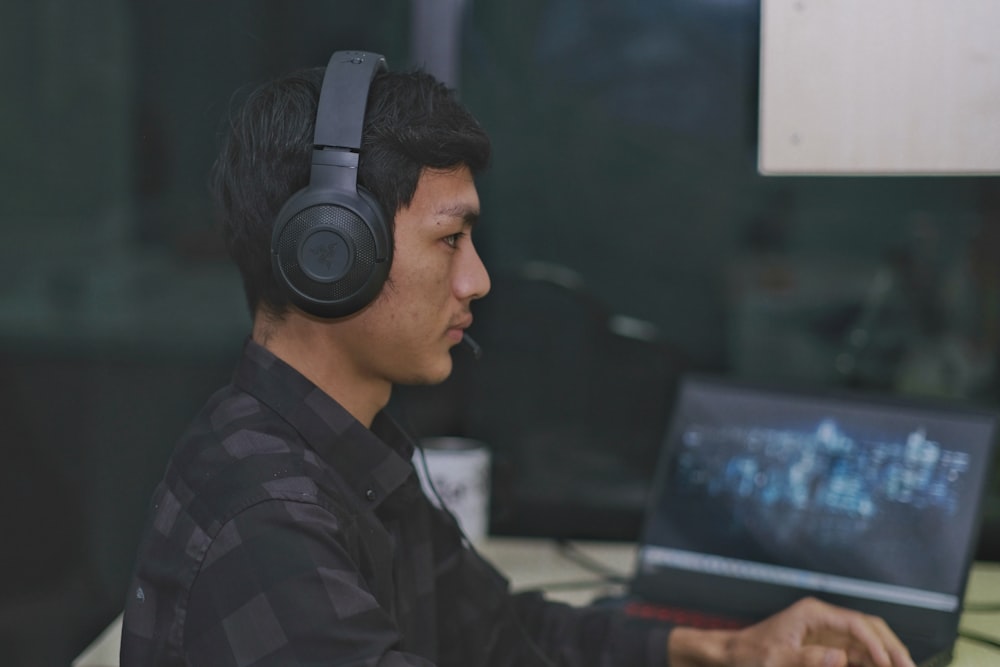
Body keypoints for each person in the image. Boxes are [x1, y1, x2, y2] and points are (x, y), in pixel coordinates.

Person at [120, 51, 916, 667]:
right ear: (332, 253)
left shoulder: (337, 449)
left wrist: (720, 649)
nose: (479, 280)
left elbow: (497, 635)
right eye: (449, 239)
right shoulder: (266, 523)